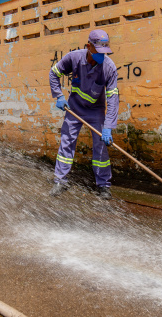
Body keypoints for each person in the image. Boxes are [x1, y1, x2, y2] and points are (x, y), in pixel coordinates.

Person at [49, 29, 119, 199]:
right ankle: (60, 180)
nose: (102, 55)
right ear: (89, 47)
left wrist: (108, 127)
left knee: (101, 147)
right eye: (98, 51)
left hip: (96, 111)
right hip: (74, 109)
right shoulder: (73, 58)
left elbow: (113, 100)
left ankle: (103, 185)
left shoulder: (109, 68)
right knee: (67, 141)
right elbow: (54, 73)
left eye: (105, 51)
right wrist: (59, 96)